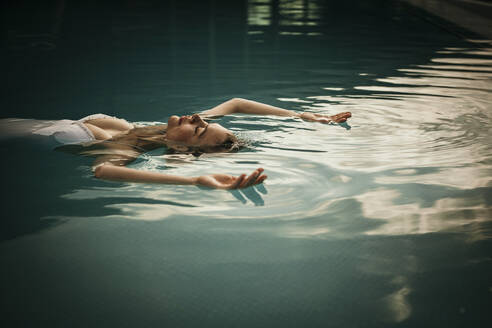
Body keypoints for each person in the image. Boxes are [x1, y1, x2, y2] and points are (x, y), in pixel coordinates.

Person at [37, 98, 351, 189]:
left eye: (200, 131)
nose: (198, 120)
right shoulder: (152, 130)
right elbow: (238, 103)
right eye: (205, 123)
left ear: (182, 150)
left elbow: (103, 171)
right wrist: (302, 115)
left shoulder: (125, 149)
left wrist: (194, 181)